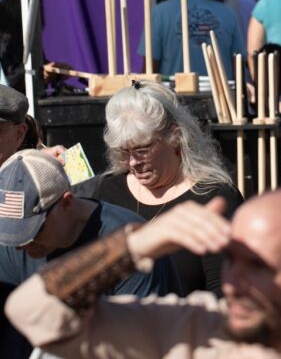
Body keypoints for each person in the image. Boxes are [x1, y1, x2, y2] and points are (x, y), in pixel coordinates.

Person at [6, 187, 281, 359]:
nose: (232, 284)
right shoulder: (195, 326)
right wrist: (134, 245)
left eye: (258, 267)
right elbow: (30, 311)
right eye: (230, 259)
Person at [0, 149, 178, 359]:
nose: (19, 245)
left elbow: (139, 345)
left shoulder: (130, 244)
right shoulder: (13, 243)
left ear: (67, 203)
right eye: (10, 231)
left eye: (31, 232)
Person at [78, 81, 241, 296]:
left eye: (143, 149)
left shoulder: (214, 198)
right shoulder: (108, 190)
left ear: (175, 137)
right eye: (124, 151)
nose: (133, 162)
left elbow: (225, 293)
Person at [139, 0, 244, 79]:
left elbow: (149, 70)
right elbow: (238, 64)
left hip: (173, 90)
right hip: (218, 90)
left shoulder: (159, 13)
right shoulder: (227, 13)